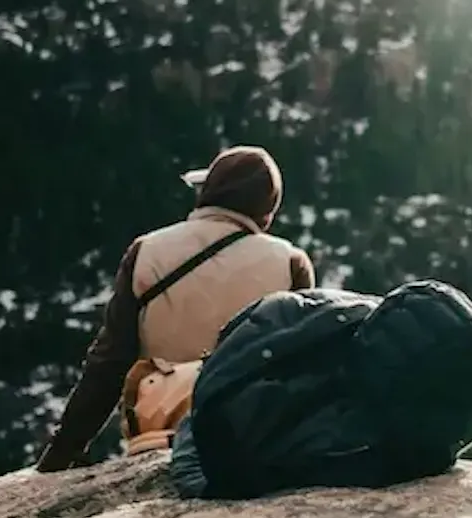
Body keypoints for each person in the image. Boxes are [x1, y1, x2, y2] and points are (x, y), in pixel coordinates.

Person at [36, 145, 316, 471]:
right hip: (249, 435)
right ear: (267, 212)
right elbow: (300, 368)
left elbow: (109, 363)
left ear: (205, 194)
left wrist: (60, 455)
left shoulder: (146, 252)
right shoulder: (290, 263)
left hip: (159, 432)